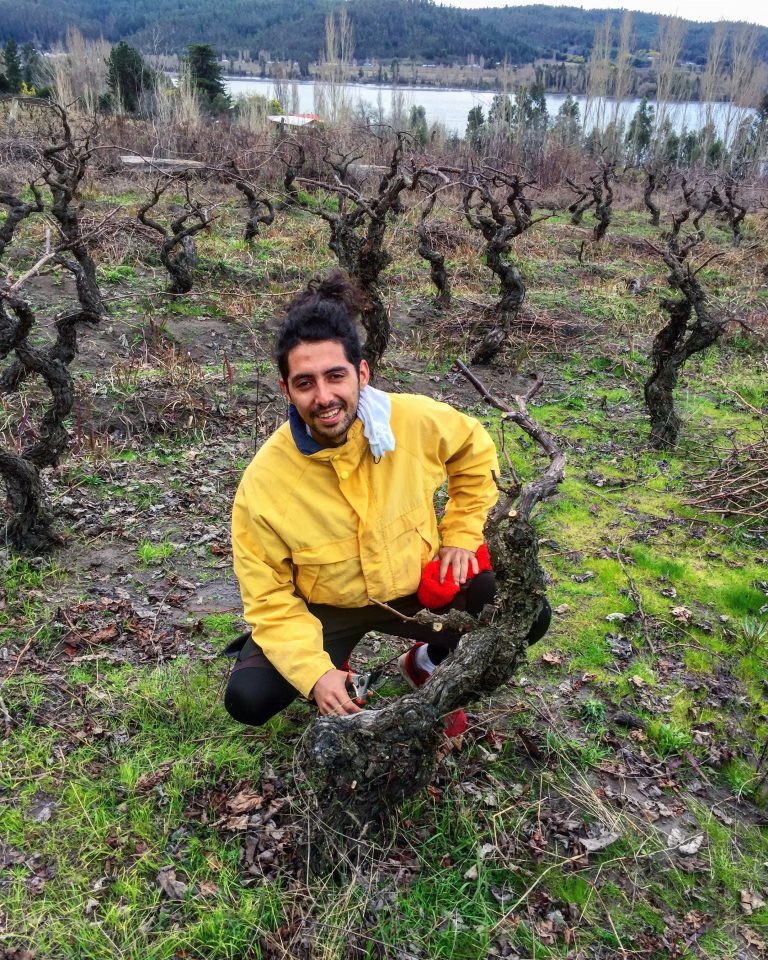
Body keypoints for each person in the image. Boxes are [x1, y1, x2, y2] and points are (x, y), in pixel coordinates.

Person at [225, 272, 549, 734]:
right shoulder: (265, 483)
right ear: (286, 390)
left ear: (362, 373)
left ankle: (427, 661)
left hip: (418, 584)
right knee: (250, 698)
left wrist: (461, 534)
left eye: (336, 376)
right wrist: (314, 673)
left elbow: (474, 450)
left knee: (526, 613)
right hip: (327, 607)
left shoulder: (411, 420)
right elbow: (268, 595)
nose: (324, 397)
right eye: (305, 383)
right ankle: (334, 664)